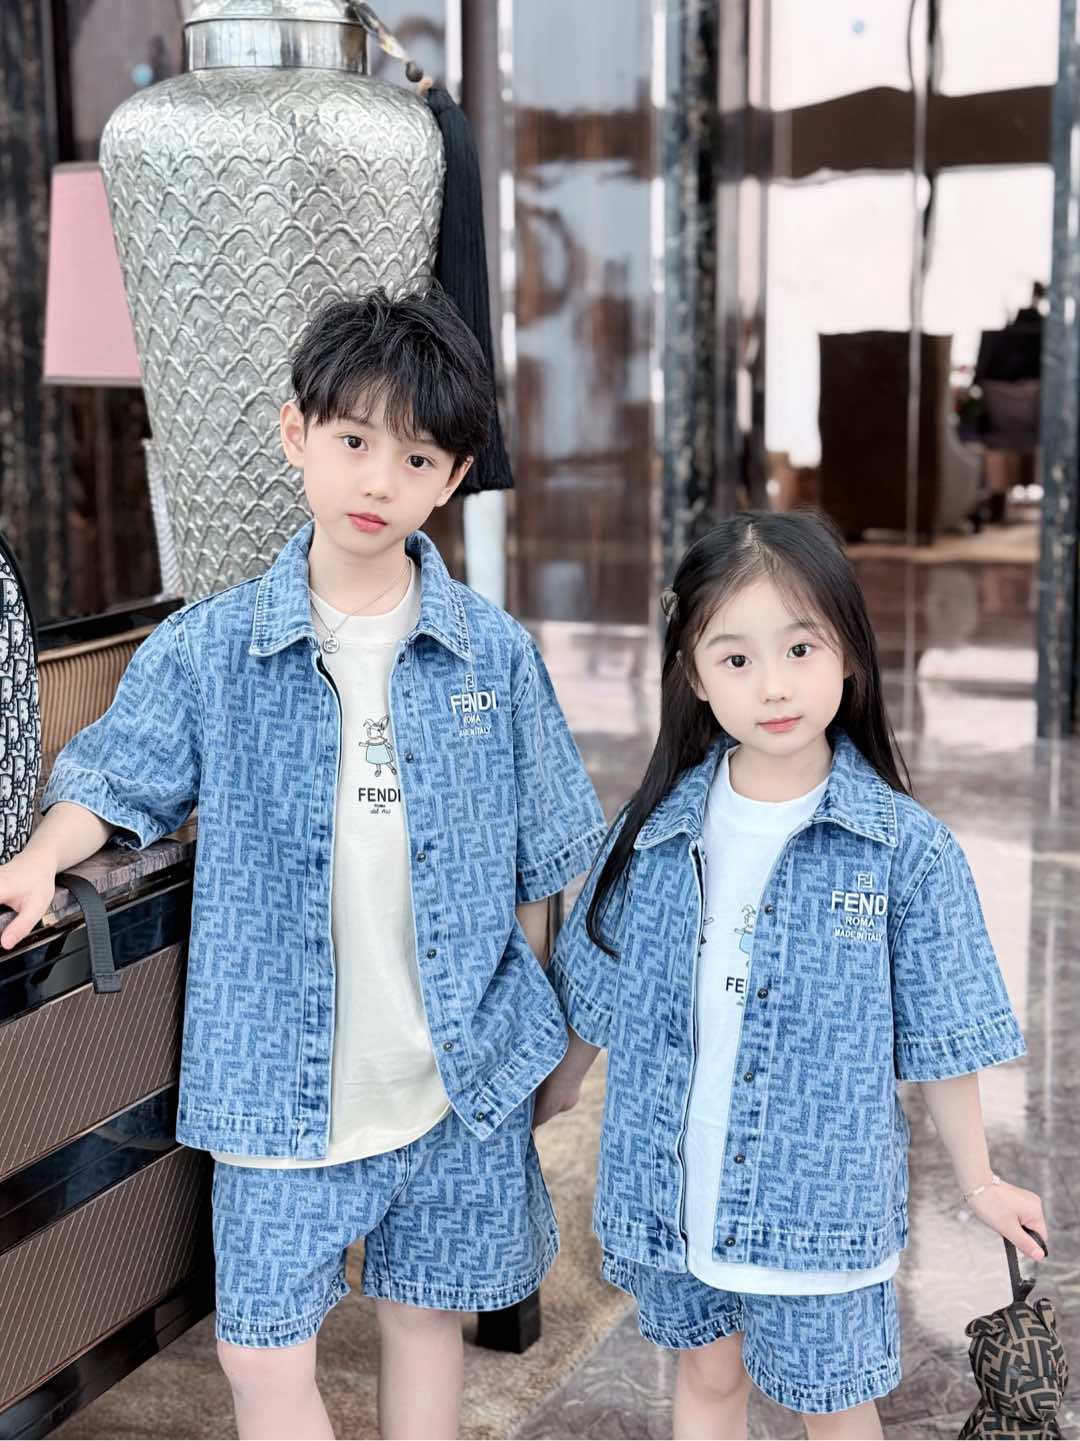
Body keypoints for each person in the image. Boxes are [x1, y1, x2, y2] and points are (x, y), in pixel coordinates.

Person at [0, 287, 605, 1441]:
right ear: (297, 434)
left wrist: (544, 1054)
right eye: (354, 441)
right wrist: (40, 856)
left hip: (456, 1085)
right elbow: (114, 777)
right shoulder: (213, 649)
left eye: (415, 457)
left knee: (427, 1321)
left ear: (451, 476)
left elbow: (544, 871)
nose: (379, 480)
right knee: (260, 1350)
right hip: (278, 1089)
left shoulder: (496, 656)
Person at [533, 509, 1046, 1441]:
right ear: (694, 675)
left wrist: (980, 1182)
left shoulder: (905, 851)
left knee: (836, 1405)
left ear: (848, 652)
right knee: (708, 1377)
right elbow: (600, 986)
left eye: (800, 649)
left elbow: (943, 1034)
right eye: (736, 658)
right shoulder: (655, 831)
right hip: (678, 1187)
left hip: (820, 1203)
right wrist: (551, 1090)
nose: (773, 685)